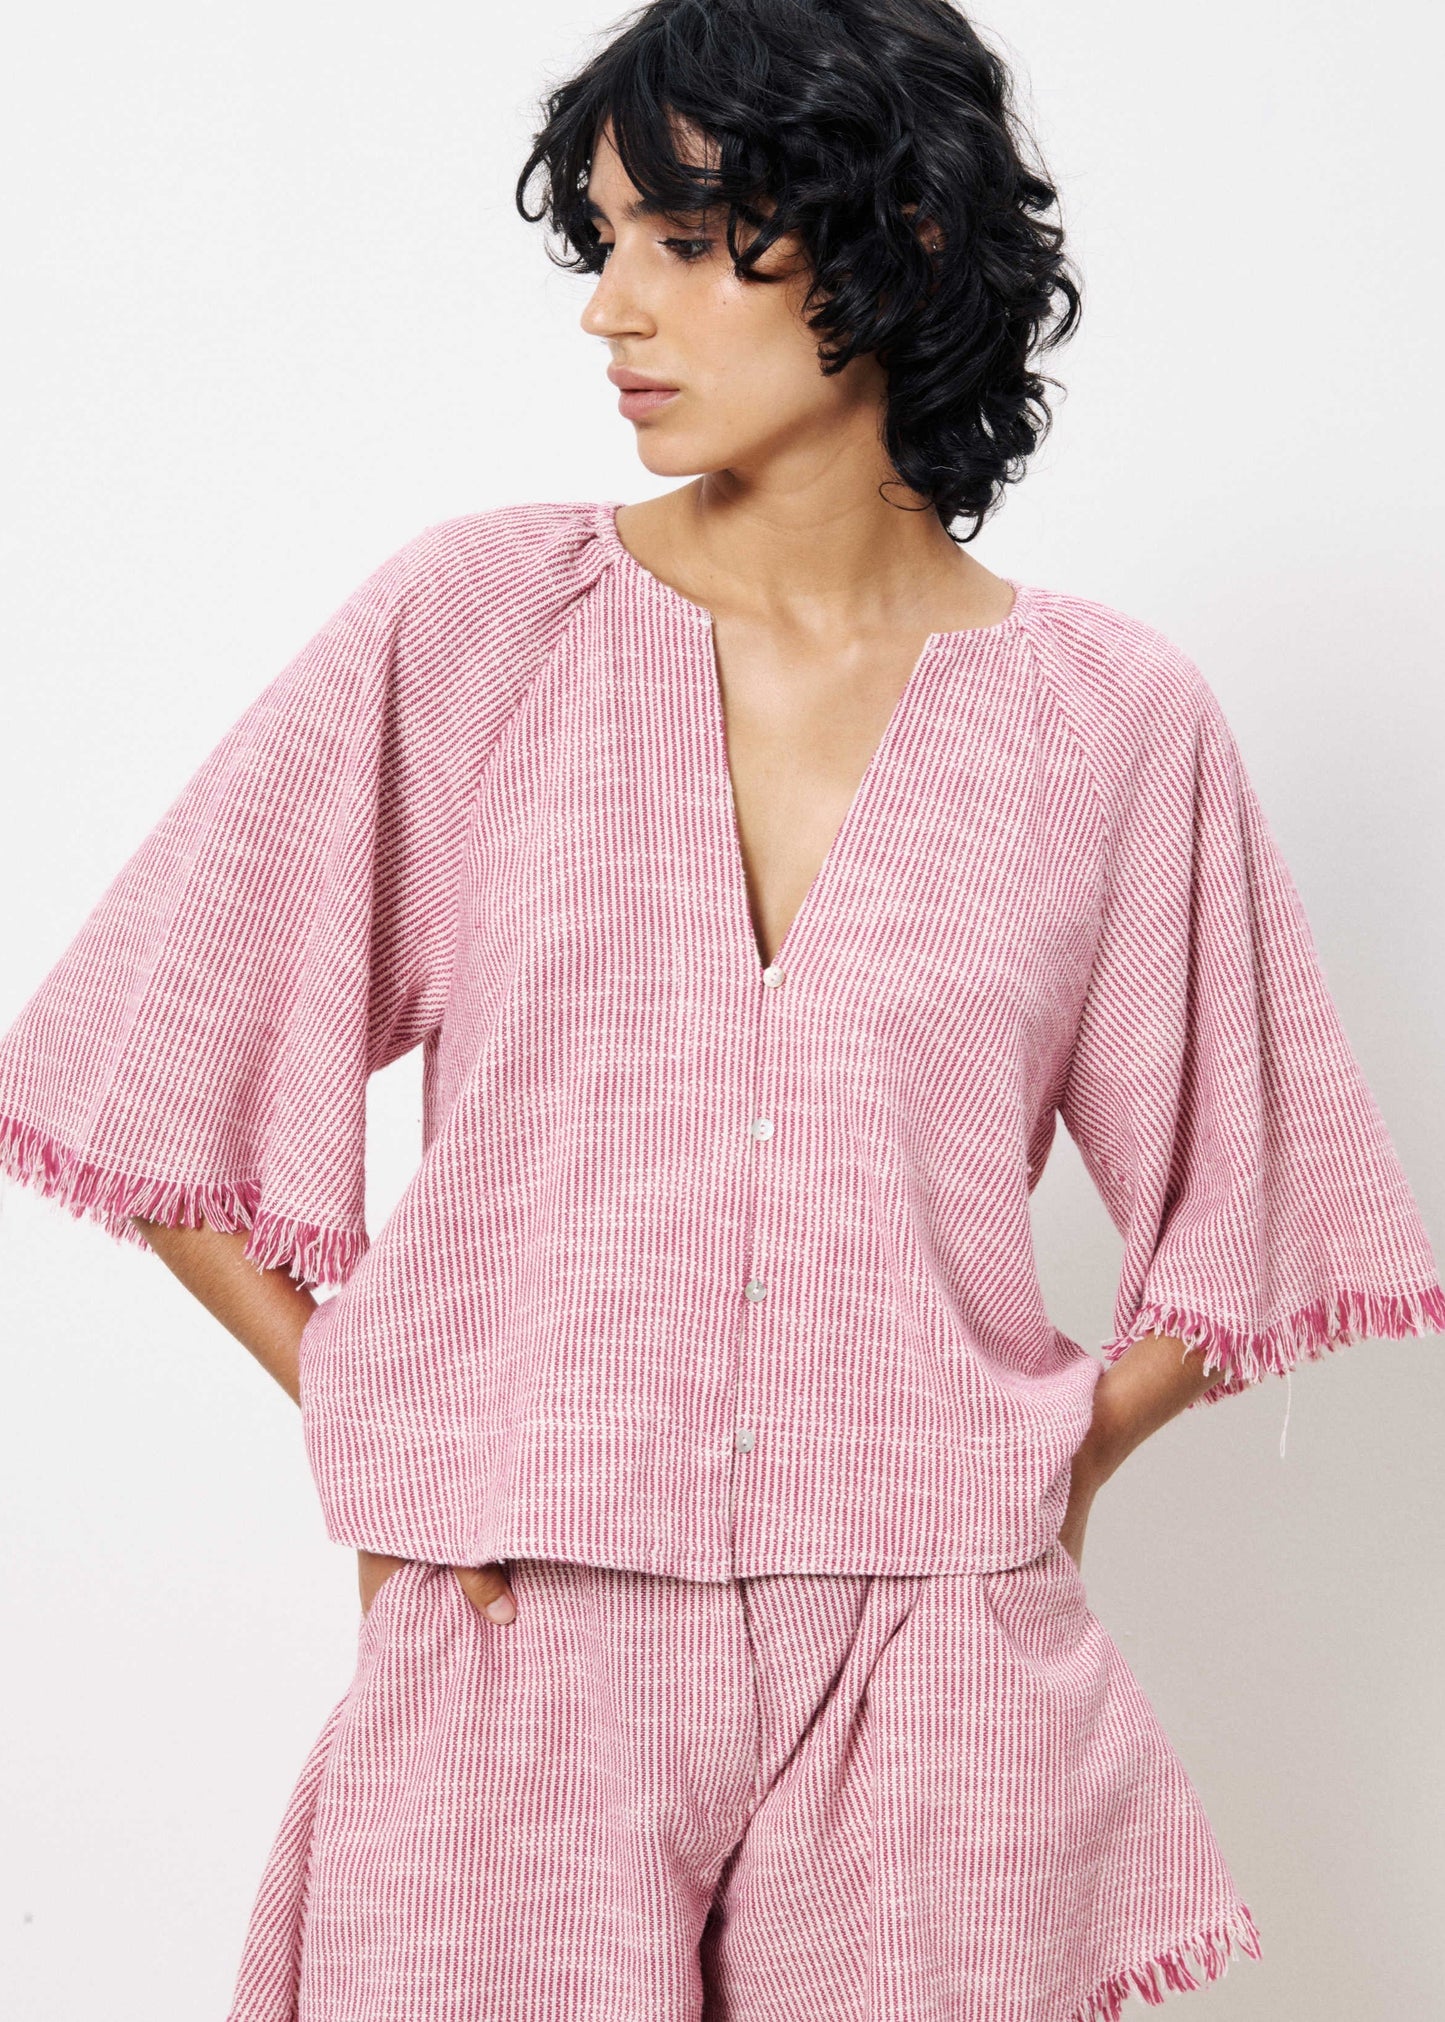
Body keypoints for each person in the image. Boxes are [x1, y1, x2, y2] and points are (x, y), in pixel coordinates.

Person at [1, 2, 1440, 2016]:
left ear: (897, 240)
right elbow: (148, 1058)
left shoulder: (1112, 725)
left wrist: (1045, 1466)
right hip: (519, 1634)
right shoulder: (478, 628)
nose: (612, 310)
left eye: (682, 244)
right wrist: (377, 1411)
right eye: (604, 245)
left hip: (924, 1669)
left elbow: (1264, 1189)